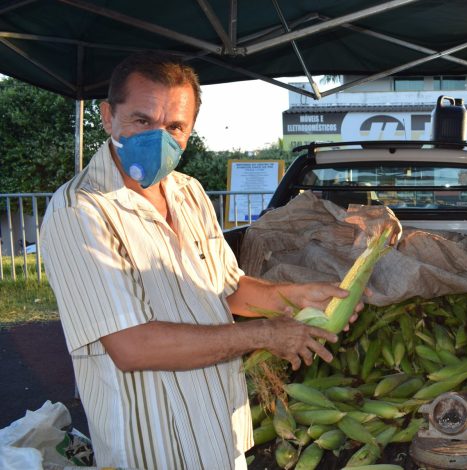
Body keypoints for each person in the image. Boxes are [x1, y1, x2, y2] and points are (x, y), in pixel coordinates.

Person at [39, 52, 363, 470]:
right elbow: (132, 347)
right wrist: (264, 334)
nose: (160, 137)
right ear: (106, 116)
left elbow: (226, 289)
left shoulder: (189, 192)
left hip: (217, 428)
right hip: (152, 444)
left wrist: (297, 297)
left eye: (175, 126)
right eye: (142, 121)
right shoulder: (79, 211)